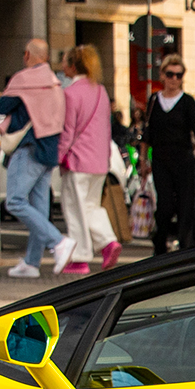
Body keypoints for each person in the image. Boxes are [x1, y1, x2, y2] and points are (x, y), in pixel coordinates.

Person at [0, 38, 74, 277]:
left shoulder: (23, 79)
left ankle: (58, 242)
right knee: (39, 209)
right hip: (49, 150)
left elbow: (2, 106)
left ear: (28, 55)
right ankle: (31, 263)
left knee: (15, 201)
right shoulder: (55, 83)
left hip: (28, 147)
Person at [56, 45, 119, 271]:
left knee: (75, 210)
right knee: (92, 207)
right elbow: (105, 128)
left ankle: (80, 258)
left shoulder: (70, 93)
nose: (62, 67)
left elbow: (67, 131)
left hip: (77, 160)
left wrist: (59, 156)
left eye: (65, 62)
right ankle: (108, 242)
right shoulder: (101, 91)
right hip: (100, 160)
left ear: (73, 66)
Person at [142, 56, 195, 254]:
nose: (174, 79)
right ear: (162, 76)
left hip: (183, 158)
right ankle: (160, 245)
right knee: (165, 205)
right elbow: (147, 134)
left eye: (178, 75)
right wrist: (143, 161)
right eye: (170, 74)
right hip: (161, 159)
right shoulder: (154, 100)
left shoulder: (187, 102)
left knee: (186, 205)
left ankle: (187, 249)